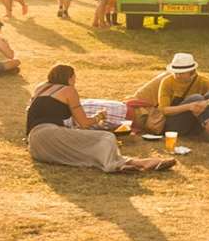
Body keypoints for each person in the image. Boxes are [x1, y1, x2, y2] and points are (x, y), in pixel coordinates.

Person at [26, 64, 174, 173]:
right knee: (107, 138)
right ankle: (114, 165)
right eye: (75, 78)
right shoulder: (68, 90)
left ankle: (138, 163)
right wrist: (99, 117)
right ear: (70, 78)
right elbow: (83, 123)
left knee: (85, 147)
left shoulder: (40, 87)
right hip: (50, 135)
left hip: (35, 145)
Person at [155, 52, 209, 144]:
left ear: (192, 72)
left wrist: (206, 103)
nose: (178, 75)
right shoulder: (167, 82)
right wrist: (189, 106)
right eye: (176, 72)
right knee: (197, 98)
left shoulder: (202, 81)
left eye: (181, 73)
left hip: (195, 124)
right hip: (173, 126)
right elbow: (164, 110)